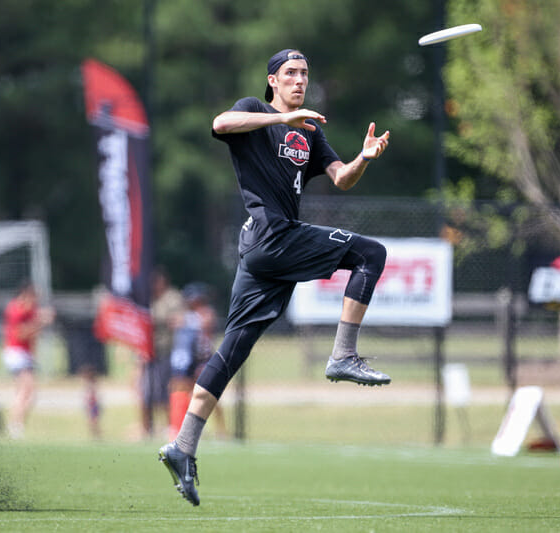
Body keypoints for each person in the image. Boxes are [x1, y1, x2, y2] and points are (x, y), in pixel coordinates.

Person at [159, 49, 392, 506]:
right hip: (271, 236)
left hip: (263, 252)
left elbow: (342, 178)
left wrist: (364, 157)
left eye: (305, 73)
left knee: (232, 350)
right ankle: (343, 355)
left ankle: (182, 446)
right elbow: (221, 125)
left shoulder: (310, 130)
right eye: (290, 73)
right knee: (371, 253)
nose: (299, 80)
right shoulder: (255, 110)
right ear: (272, 81)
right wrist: (279, 121)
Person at [167, 282, 224, 440]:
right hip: (189, 360)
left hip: (204, 359)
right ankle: (181, 427)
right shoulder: (187, 314)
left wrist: (187, 321)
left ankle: (221, 429)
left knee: (209, 395)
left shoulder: (206, 312)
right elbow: (173, 322)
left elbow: (205, 322)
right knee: (182, 391)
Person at [2, 282, 56, 438]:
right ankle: (15, 424)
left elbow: (33, 333)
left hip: (25, 354)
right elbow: (21, 334)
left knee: (23, 392)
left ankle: (16, 424)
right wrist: (40, 322)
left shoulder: (30, 309)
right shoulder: (16, 310)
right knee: (28, 391)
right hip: (17, 353)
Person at [139, 268, 184, 439]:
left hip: (167, 351)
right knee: (145, 391)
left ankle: (169, 427)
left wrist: (155, 320)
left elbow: (178, 320)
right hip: (148, 352)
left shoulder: (172, 298)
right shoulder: (146, 297)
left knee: (165, 391)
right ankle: (146, 428)